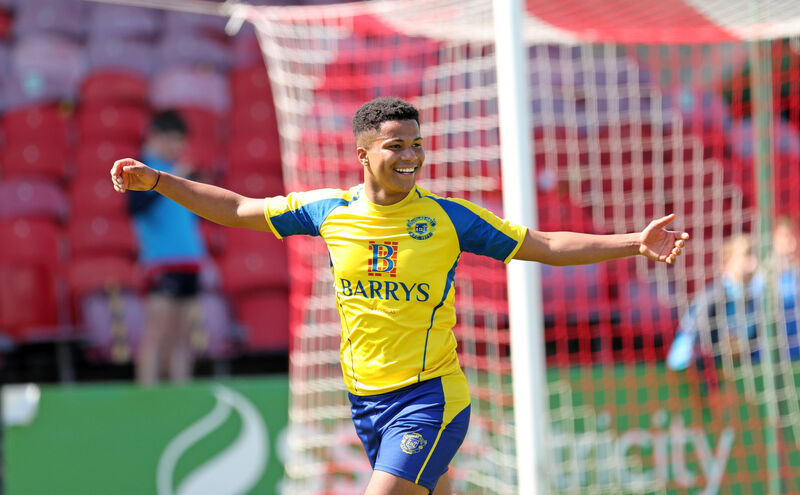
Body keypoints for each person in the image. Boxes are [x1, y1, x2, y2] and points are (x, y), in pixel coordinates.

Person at [111, 97, 688, 495]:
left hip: (430, 397)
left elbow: (540, 243)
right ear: (363, 154)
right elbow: (238, 209)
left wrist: (633, 244)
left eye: (416, 144)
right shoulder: (328, 212)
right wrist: (161, 181)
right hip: (366, 402)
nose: (410, 156)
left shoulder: (446, 218)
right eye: (395, 146)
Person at [127, 110, 207, 385]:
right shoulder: (143, 171)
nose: (177, 148)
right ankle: (148, 400)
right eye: (172, 140)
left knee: (183, 336)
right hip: (161, 262)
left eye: (180, 141)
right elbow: (135, 207)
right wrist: (170, 180)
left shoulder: (178, 173)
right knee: (157, 333)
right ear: (156, 137)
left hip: (190, 260)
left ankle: (180, 398)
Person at [666, 234, 760, 395]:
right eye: (746, 255)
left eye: (754, 255)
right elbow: (699, 338)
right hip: (690, 373)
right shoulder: (714, 296)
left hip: (729, 372)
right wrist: (724, 347)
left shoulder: (753, 298)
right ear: (727, 262)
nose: (752, 263)